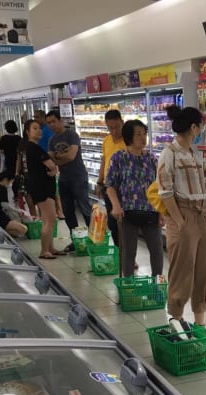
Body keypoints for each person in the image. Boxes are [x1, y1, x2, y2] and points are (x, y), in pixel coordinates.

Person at [157, 105, 206, 327]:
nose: (202, 129)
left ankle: (200, 323)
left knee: (204, 271)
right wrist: (180, 222)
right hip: (182, 214)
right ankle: (177, 321)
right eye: (200, 126)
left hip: (201, 215)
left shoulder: (193, 153)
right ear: (193, 127)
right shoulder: (169, 153)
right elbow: (165, 191)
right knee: (182, 271)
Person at [106, 119, 163, 277]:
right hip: (127, 211)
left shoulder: (152, 159)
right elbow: (110, 185)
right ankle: (129, 286)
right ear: (129, 136)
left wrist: (162, 212)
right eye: (138, 134)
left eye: (144, 134)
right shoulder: (119, 157)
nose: (143, 137)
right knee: (129, 252)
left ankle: (156, 286)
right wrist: (115, 206)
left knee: (157, 251)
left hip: (151, 211)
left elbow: (159, 187)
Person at [46, 109, 91, 248]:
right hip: (64, 179)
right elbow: (52, 159)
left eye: (54, 121)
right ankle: (76, 240)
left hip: (78, 177)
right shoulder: (52, 140)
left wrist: (58, 158)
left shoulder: (72, 135)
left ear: (61, 120)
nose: (52, 125)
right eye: (49, 123)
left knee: (85, 209)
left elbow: (71, 156)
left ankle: (94, 238)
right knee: (68, 211)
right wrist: (60, 159)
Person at [21, 119, 62, 259]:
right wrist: (53, 170)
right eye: (34, 128)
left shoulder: (28, 148)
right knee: (50, 220)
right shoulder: (34, 148)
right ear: (28, 132)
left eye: (39, 128)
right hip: (42, 188)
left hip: (38, 187)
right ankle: (44, 250)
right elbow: (51, 165)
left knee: (48, 219)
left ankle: (50, 247)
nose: (38, 131)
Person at [97, 109, 126, 247]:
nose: (114, 131)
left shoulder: (128, 140)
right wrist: (99, 181)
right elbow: (104, 161)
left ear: (122, 122)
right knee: (112, 223)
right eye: (110, 128)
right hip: (109, 187)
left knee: (126, 224)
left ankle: (129, 256)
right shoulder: (106, 140)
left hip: (125, 188)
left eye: (116, 127)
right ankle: (119, 251)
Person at [0, 171, 28, 238]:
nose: (11, 184)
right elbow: (5, 205)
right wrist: (18, 211)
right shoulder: (2, 189)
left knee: (15, 232)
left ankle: (1, 230)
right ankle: (0, 230)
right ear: (6, 179)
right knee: (24, 229)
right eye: (11, 181)